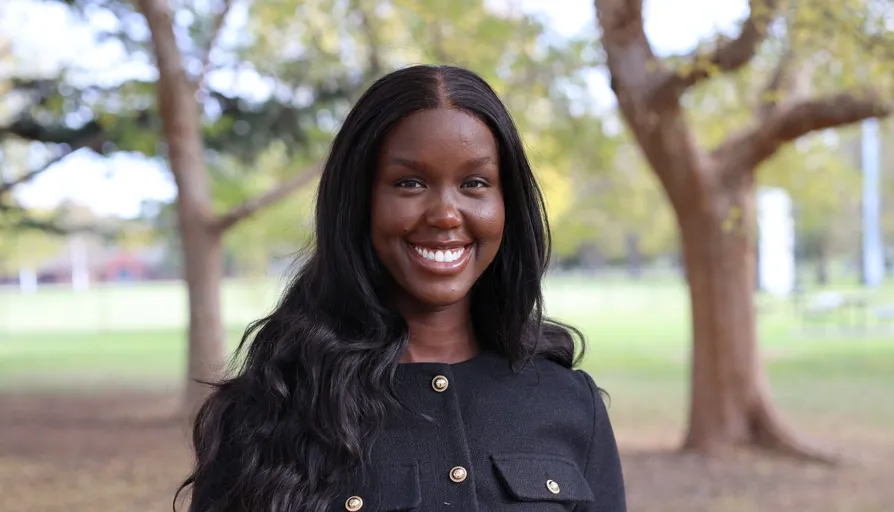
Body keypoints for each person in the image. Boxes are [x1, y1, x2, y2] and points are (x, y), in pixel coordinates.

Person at [177, 64, 626, 512]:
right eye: (409, 183)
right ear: (360, 201)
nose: (446, 214)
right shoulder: (267, 409)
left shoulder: (568, 401)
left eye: (474, 183)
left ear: (506, 203)